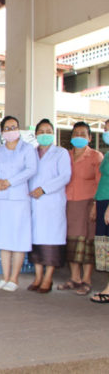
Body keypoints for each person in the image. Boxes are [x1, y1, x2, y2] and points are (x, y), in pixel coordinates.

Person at [0, 116, 37, 292]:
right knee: (3, 238)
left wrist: (10, 182)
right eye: (7, 128)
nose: (11, 131)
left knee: (18, 238)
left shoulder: (27, 149)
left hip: (18, 198)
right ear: (2, 131)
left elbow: (31, 169)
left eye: (14, 127)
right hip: (1, 198)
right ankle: (5, 277)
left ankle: (14, 278)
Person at [28, 119, 71, 293]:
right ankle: (38, 277)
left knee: (52, 241)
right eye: (41, 131)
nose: (45, 134)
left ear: (53, 134)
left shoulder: (61, 153)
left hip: (52, 202)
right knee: (36, 240)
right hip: (34, 202)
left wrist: (44, 189)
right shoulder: (31, 153)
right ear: (36, 134)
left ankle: (48, 278)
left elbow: (65, 176)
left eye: (48, 131)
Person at [59, 122, 102, 296]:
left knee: (86, 243)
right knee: (72, 242)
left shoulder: (95, 156)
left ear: (90, 138)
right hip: (68, 204)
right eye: (76, 133)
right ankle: (75, 278)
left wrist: (96, 205)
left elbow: (101, 183)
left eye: (83, 134)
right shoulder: (65, 156)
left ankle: (87, 280)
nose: (79, 137)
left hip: (87, 204)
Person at [91, 119, 109, 304]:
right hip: (103, 200)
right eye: (105, 129)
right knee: (105, 246)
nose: (106, 133)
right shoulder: (108, 153)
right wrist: (97, 203)